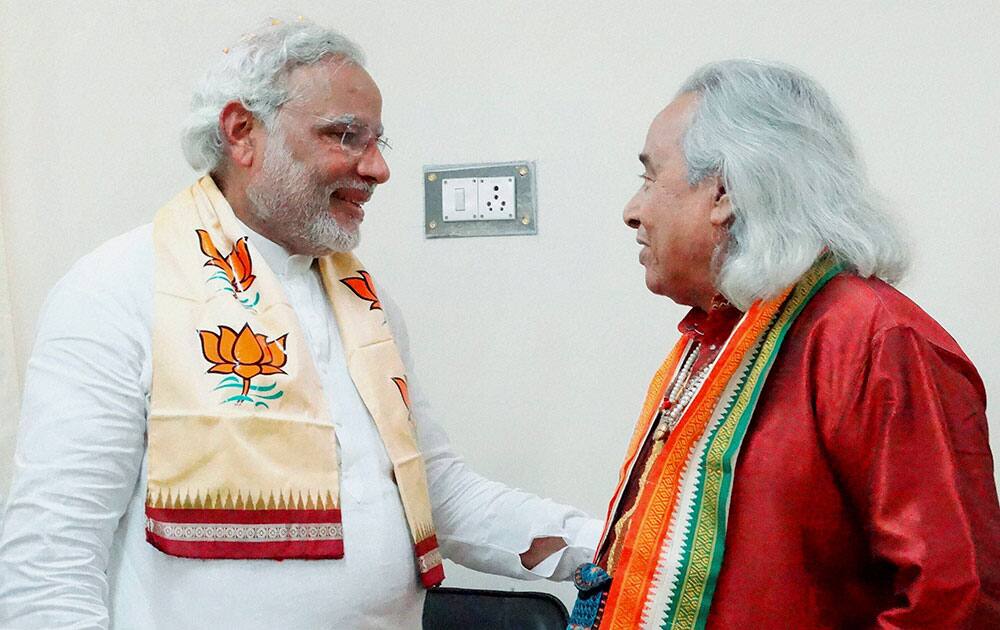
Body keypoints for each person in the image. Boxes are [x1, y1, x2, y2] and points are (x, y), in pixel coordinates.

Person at [0, 20, 601, 629]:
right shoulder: (118, 288)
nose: (376, 169)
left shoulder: (365, 302)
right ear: (242, 133)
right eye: (345, 136)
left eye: (378, 142)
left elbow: (432, 492)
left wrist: (606, 546)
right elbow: (50, 560)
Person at [567, 59, 1000, 629]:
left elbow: (954, 600)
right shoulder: (720, 332)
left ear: (722, 191)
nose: (633, 210)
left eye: (650, 178)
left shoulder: (875, 342)